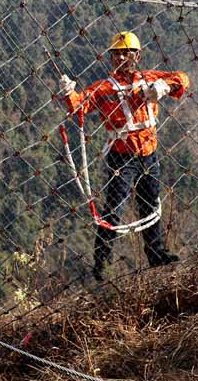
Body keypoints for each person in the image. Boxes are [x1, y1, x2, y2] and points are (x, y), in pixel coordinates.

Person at [58, 31, 189, 281]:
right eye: (116, 53)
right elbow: (79, 105)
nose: (120, 57)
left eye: (125, 53)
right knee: (113, 210)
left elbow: (182, 78)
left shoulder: (149, 79)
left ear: (137, 56)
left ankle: (157, 254)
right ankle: (102, 262)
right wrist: (68, 93)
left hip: (149, 155)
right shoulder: (104, 88)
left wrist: (164, 87)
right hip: (122, 158)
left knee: (150, 204)